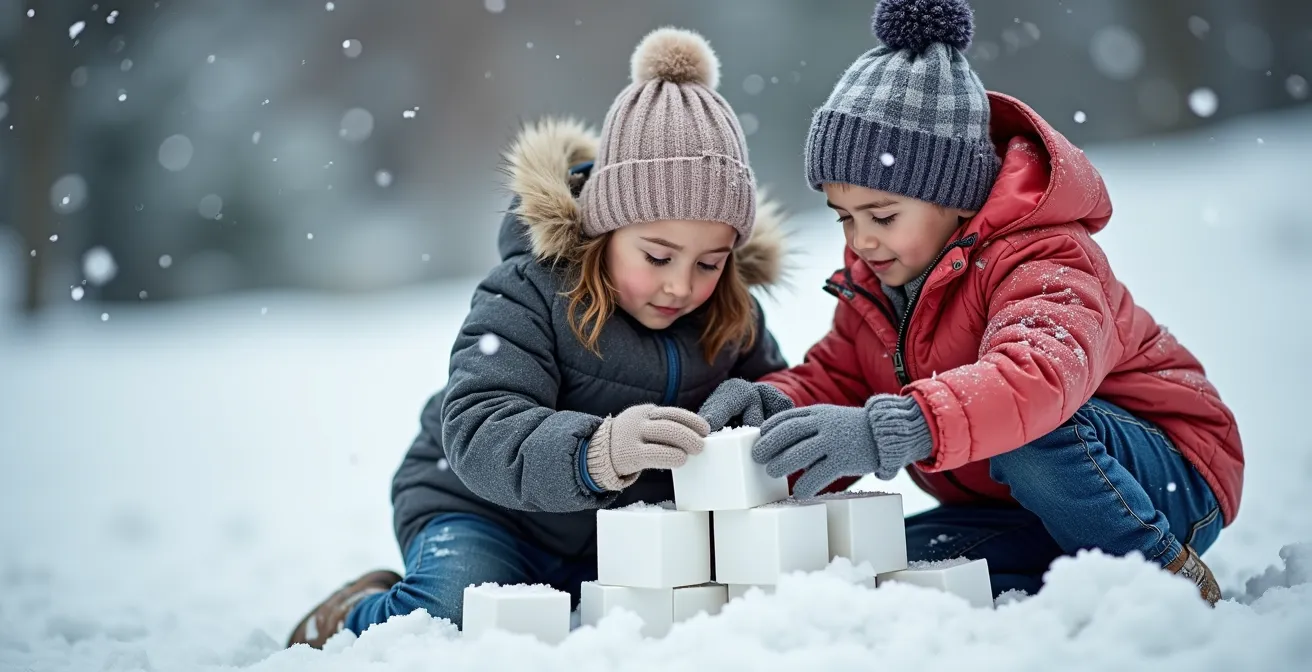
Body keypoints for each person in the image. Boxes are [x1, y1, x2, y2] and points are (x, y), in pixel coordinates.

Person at [699, 0, 1242, 605]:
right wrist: (774, 411)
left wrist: (897, 430)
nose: (860, 240)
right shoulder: (876, 283)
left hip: (1161, 478)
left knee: (1030, 433)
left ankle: (1163, 575)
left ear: (954, 196)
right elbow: (840, 377)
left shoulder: (1045, 256)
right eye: (845, 217)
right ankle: (1058, 578)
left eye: (882, 216)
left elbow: (1034, 379)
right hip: (1013, 504)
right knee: (885, 565)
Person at [285, 27, 791, 648]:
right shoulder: (528, 292)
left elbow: (779, 387)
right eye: (657, 256)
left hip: (620, 542)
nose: (682, 286)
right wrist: (599, 450)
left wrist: (767, 410)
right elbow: (478, 426)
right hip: (487, 514)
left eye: (709, 263)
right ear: (607, 228)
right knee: (450, 611)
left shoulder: (731, 316)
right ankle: (347, 617)